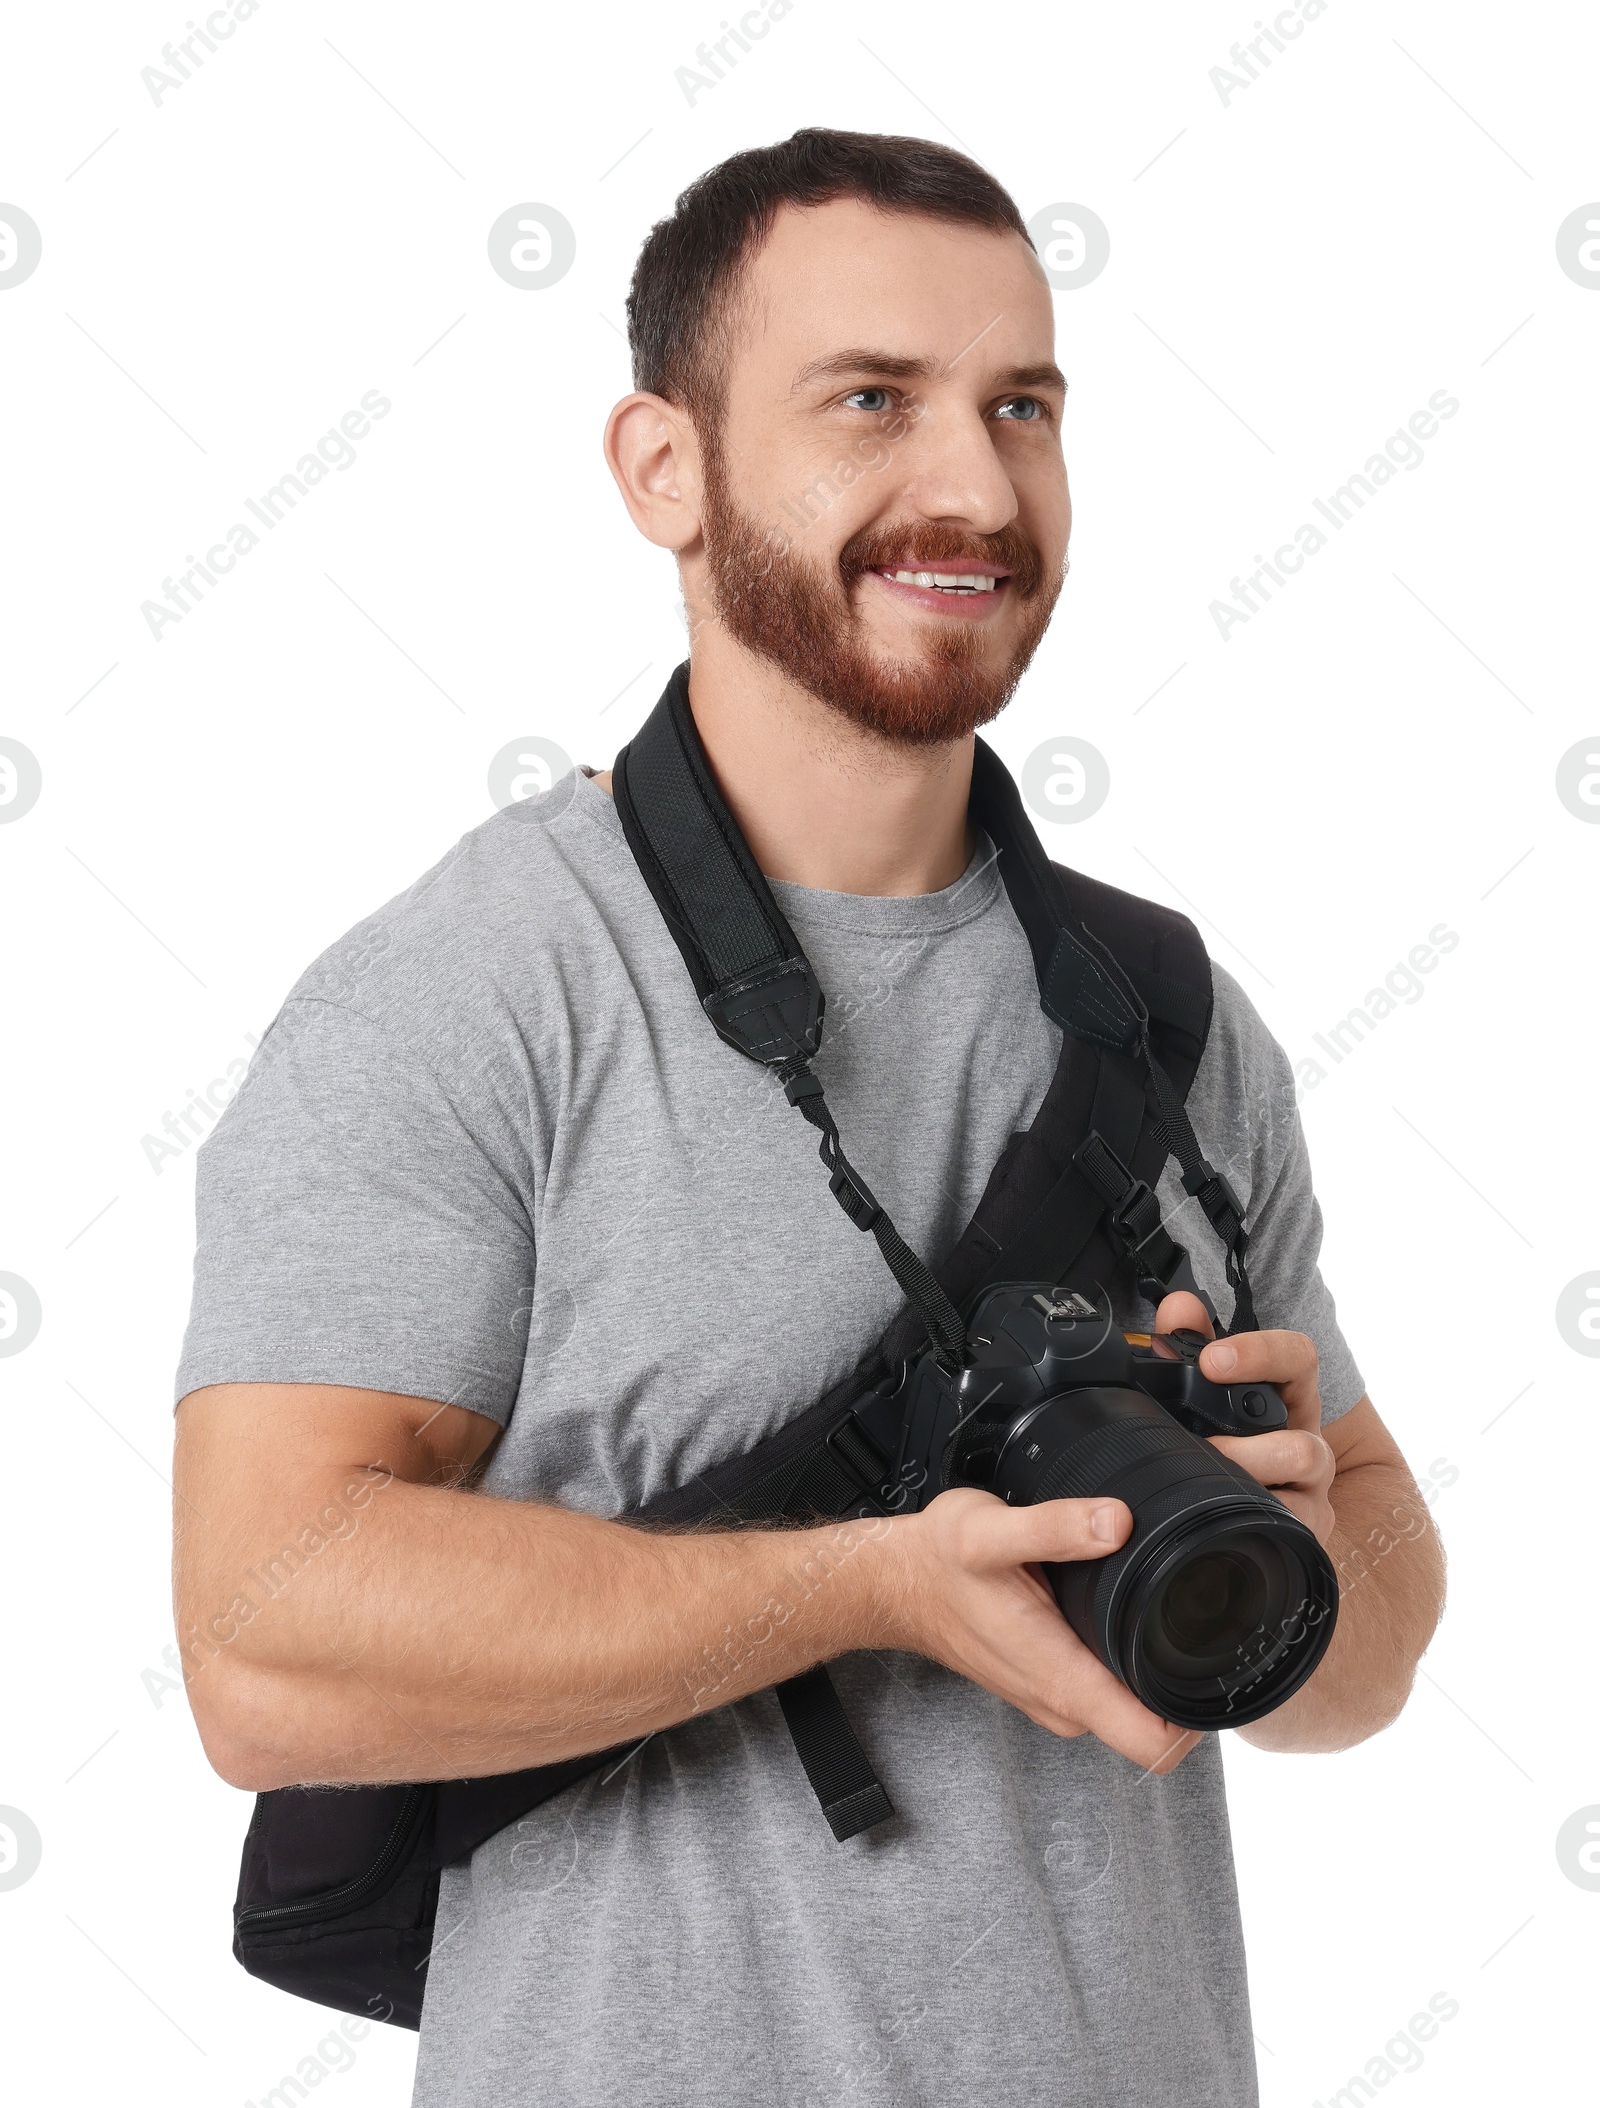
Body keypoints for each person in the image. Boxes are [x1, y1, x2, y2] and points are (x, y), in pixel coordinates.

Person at [173, 129, 1446, 2107]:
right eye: (871, 400)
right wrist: (859, 1584)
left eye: (1018, 405)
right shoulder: (468, 995)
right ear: (658, 468)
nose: (970, 485)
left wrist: (1277, 1531)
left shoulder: (1161, 1014)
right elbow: (257, 1653)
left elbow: (1363, 1656)